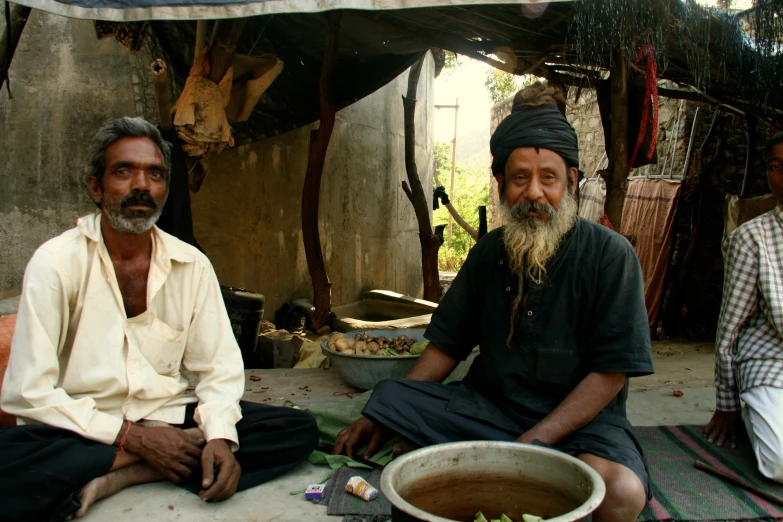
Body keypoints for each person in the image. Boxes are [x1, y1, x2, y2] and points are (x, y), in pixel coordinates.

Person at [333, 83, 654, 522]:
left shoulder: (612, 256)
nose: (535, 193)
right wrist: (388, 414)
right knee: (390, 394)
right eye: (520, 178)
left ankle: (490, 462)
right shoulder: (489, 252)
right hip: (489, 408)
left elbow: (610, 374)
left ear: (572, 182)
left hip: (580, 426)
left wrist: (532, 447)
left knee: (619, 494)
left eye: (549, 178)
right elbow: (448, 345)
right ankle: (490, 462)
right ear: (501, 183)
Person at [0, 117, 319, 521]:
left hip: (169, 414)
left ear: (165, 190)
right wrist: (133, 438)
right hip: (86, 427)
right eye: (123, 172)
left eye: (155, 174)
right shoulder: (56, 263)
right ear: (95, 187)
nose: (141, 185)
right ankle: (146, 460)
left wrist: (219, 437)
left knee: (293, 429)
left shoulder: (192, 265)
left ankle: (117, 477)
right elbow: (29, 393)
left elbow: (218, 369)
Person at [705, 130, 783, 483]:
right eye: (776, 166)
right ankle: (756, 411)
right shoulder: (752, 238)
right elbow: (730, 329)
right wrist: (727, 403)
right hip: (768, 362)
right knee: (779, 462)